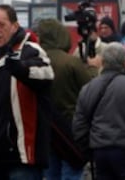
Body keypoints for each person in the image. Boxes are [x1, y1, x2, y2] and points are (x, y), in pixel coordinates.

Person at [0, 4, 53, 179]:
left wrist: (21, 68)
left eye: (1, 25)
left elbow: (46, 75)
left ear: (14, 26)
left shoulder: (30, 50)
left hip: (22, 155)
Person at [73, 42, 125, 179]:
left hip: (100, 151)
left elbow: (79, 124)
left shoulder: (88, 88)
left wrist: (88, 150)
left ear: (103, 62)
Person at [36, 18, 98, 180]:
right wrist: (92, 68)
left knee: (51, 173)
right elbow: (90, 89)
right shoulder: (71, 62)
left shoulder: (35, 61)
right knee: (72, 171)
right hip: (71, 127)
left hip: (45, 127)